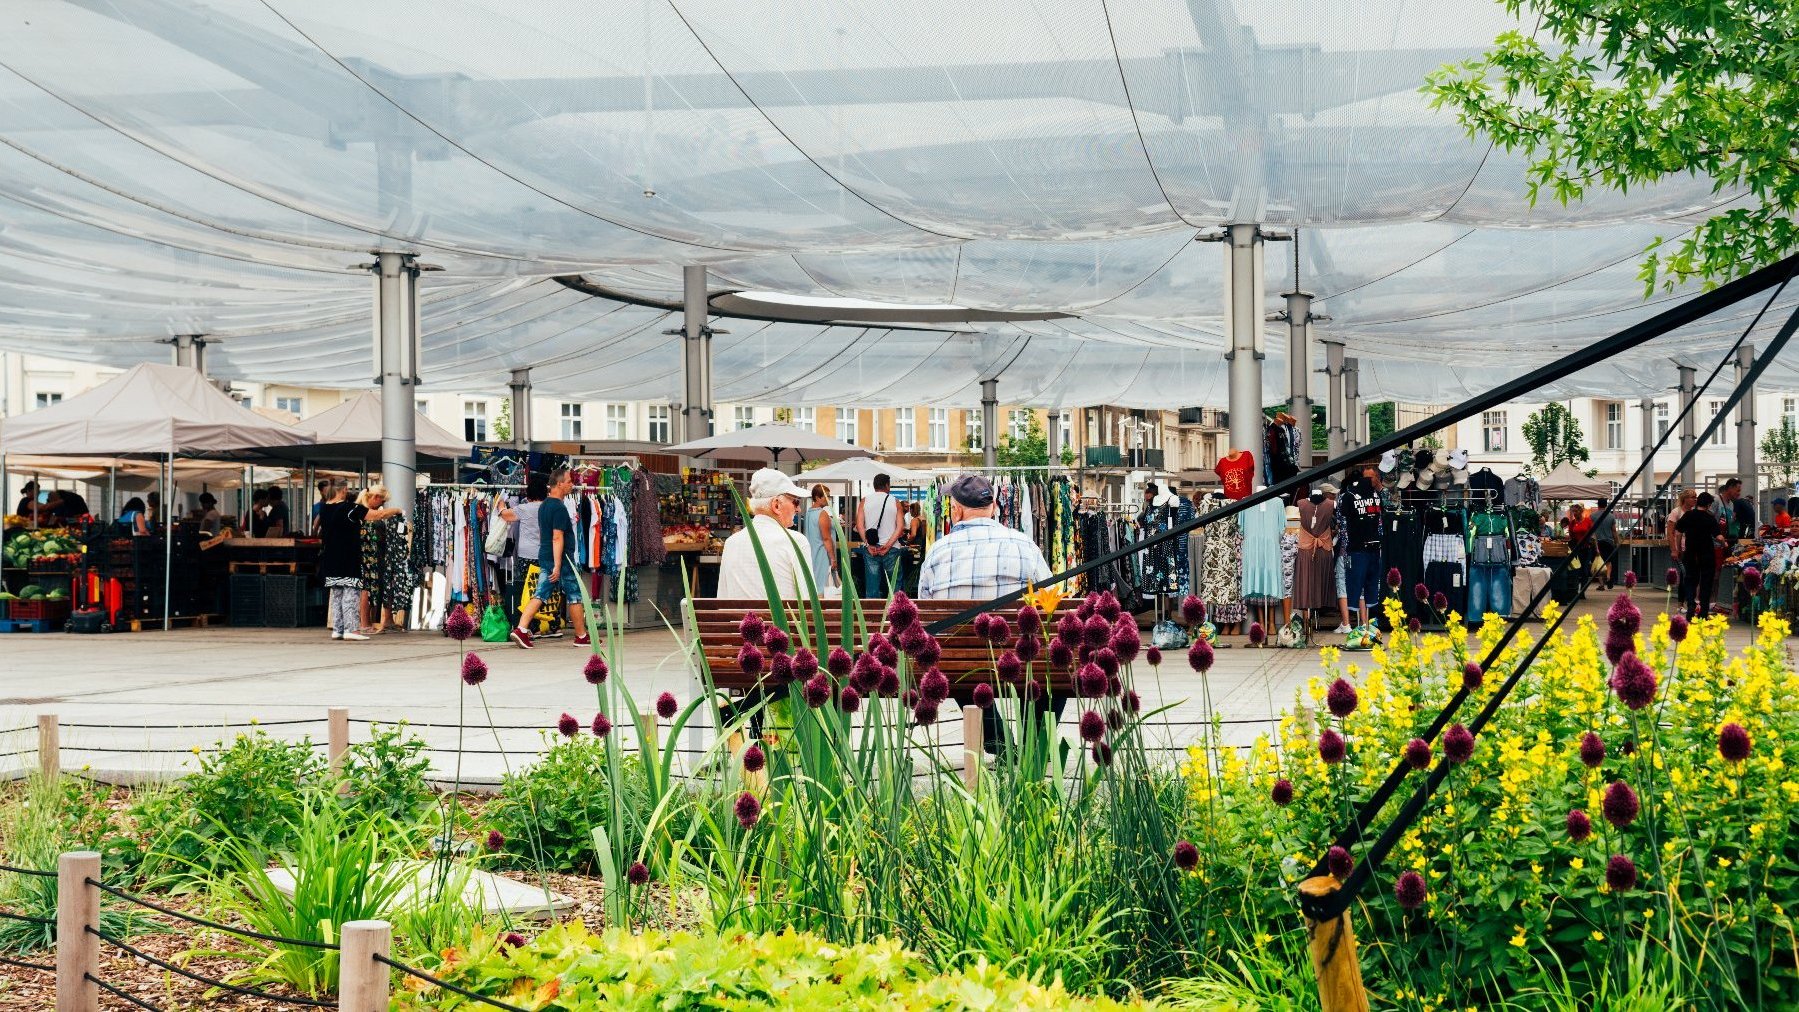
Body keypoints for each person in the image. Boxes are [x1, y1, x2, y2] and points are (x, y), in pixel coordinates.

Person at [916, 473, 1052, 600]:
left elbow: (923, 601)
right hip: (1010, 626)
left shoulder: (937, 552)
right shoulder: (1025, 545)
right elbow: (1049, 594)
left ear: (956, 511)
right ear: (994, 507)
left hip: (955, 626)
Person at [512, 466, 590, 648]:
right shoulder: (559, 508)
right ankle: (581, 636)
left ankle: (521, 629)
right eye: (569, 481)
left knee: (540, 593)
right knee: (574, 595)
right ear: (559, 484)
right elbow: (557, 536)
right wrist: (557, 564)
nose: (572, 485)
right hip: (561, 560)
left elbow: (545, 535)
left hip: (545, 555)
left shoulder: (544, 506)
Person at [715, 468, 813, 601]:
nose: (798, 509)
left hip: (738, 622)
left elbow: (723, 600)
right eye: (795, 502)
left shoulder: (732, 542)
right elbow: (808, 600)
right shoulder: (795, 541)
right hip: (781, 622)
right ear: (776, 505)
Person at [498, 472, 553, 634]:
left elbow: (505, 516)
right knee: (540, 592)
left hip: (525, 556)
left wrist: (501, 504)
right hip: (544, 555)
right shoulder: (550, 508)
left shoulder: (523, 508)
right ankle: (542, 625)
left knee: (524, 591)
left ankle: (525, 626)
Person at [316, 481, 370, 641]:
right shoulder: (349, 508)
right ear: (344, 490)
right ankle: (352, 629)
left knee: (337, 594)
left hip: (331, 557)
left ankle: (338, 629)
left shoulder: (324, 508)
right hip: (348, 556)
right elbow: (375, 515)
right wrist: (396, 510)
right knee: (351, 593)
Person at [355, 486, 405, 633]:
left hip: (379, 553)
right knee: (367, 588)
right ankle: (365, 623)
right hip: (367, 555)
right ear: (375, 497)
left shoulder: (371, 510)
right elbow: (380, 515)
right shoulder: (362, 510)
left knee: (385, 584)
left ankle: (388, 620)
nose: (382, 503)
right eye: (382, 500)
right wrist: (396, 510)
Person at [855, 473, 904, 598]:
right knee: (895, 588)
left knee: (872, 587)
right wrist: (888, 545)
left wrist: (867, 544)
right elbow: (900, 528)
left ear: (874, 486)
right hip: (892, 548)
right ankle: (896, 615)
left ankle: (872, 616)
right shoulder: (895, 502)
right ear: (887, 485)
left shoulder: (865, 501)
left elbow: (860, 525)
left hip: (871, 549)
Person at [1676, 491, 1723, 620]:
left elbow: (1679, 529)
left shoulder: (1688, 515)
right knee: (1706, 582)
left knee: (1690, 580)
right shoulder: (1710, 518)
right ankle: (1703, 611)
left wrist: (1678, 548)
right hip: (1707, 554)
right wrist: (1724, 542)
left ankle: (1691, 603)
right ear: (1708, 504)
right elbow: (1718, 537)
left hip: (1691, 553)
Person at [801, 483, 839, 593]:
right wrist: (833, 558)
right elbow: (826, 538)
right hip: (822, 554)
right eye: (826, 496)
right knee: (823, 588)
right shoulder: (822, 514)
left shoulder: (809, 513)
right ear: (817, 498)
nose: (828, 499)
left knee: (814, 586)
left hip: (811, 553)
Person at [1667, 489, 1695, 596]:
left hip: (1691, 548)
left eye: (1695, 497)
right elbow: (1670, 532)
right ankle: (1684, 602)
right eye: (1692, 497)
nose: (1695, 499)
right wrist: (1674, 550)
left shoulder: (1694, 512)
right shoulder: (1676, 512)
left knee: (1688, 575)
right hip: (1681, 549)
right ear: (1685, 499)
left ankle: (1686, 601)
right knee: (1685, 574)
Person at [1591, 499, 1619, 590]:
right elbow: (1614, 531)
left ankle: (1602, 584)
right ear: (1606, 505)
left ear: (1598, 505)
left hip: (1597, 542)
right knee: (1608, 562)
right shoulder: (1611, 516)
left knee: (1599, 562)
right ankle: (1608, 577)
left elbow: (1591, 531)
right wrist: (1617, 542)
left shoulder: (1592, 516)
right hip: (1609, 542)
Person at [901, 502, 928, 596]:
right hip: (923, 547)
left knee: (907, 569)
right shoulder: (924, 519)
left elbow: (913, 535)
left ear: (912, 510)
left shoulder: (914, 520)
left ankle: (906, 590)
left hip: (915, 547)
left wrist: (906, 543)